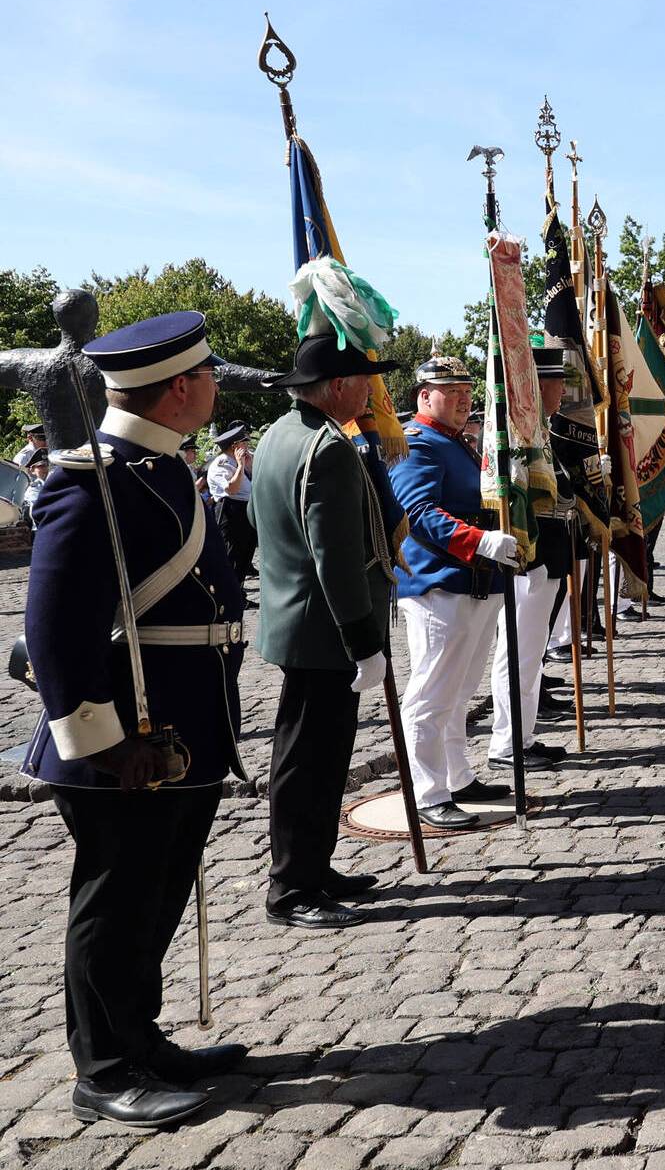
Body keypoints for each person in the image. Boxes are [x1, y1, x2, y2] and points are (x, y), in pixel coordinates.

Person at [20, 311, 250, 1128]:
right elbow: (52, 627)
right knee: (115, 902)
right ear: (182, 387)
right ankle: (106, 1067)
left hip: (182, 727)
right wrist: (106, 742)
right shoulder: (95, 479)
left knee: (155, 896)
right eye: (210, 377)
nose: (216, 388)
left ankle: (141, 1037)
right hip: (127, 738)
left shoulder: (158, 464)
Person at [250, 333, 405, 932]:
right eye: (363, 380)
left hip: (302, 624)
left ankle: (312, 868)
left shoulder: (280, 435)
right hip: (326, 630)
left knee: (317, 757)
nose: (370, 391)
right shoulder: (328, 449)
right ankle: (290, 888)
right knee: (308, 762)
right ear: (337, 386)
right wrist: (363, 641)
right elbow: (334, 559)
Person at [390, 357, 520, 830]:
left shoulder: (454, 442)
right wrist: (479, 541)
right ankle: (426, 791)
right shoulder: (416, 443)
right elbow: (417, 512)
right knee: (432, 691)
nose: (465, 399)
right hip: (437, 580)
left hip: (473, 580)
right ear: (424, 396)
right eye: (452, 391)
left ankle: (457, 776)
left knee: (461, 689)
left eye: (467, 390)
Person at [486, 346, 576, 775]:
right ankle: (507, 743)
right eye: (558, 382)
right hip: (530, 560)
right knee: (518, 653)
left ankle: (522, 737)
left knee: (531, 653)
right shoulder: (520, 437)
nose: (564, 390)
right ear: (539, 386)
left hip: (549, 558)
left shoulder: (541, 432)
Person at [207, 421, 258, 578]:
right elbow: (232, 489)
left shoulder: (239, 461)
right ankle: (232, 598)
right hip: (230, 511)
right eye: (243, 442)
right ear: (235, 445)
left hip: (245, 510)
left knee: (245, 554)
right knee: (233, 555)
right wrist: (241, 466)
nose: (246, 446)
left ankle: (241, 596)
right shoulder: (221, 463)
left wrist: (247, 465)